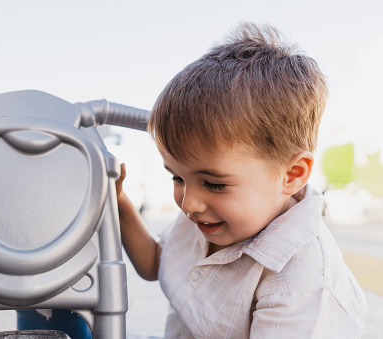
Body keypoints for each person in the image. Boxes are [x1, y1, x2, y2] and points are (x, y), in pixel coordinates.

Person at [116, 22, 367, 338]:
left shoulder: (302, 281)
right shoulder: (209, 217)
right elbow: (157, 263)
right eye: (177, 177)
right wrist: (120, 202)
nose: (188, 203)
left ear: (292, 174)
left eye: (214, 184)